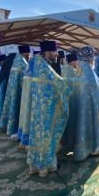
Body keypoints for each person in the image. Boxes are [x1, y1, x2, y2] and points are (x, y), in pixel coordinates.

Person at [27, 40, 70, 177]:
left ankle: (38, 165)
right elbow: (59, 85)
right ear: (47, 52)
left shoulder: (39, 64)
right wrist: (70, 88)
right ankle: (46, 165)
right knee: (46, 135)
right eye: (55, 52)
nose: (57, 55)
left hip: (39, 109)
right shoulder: (44, 68)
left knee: (39, 135)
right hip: (45, 110)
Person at [66, 46, 99, 161]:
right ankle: (92, 148)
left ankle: (80, 148)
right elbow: (98, 91)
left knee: (80, 123)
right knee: (89, 123)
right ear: (91, 59)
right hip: (90, 106)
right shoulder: (88, 70)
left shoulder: (79, 70)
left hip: (80, 105)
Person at [0, 45, 30, 136]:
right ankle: (16, 130)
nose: (29, 55)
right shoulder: (23, 62)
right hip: (20, 90)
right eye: (28, 53)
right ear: (24, 53)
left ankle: (10, 127)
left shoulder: (16, 60)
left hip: (13, 89)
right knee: (18, 109)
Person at [18, 49, 40, 148]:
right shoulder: (37, 66)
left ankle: (23, 139)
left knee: (26, 116)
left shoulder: (29, 64)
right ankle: (30, 141)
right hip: (33, 97)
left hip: (26, 98)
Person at [0, 53, 17, 131]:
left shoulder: (8, 63)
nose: (0, 65)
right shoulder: (11, 62)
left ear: (2, 61)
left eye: (0, 63)